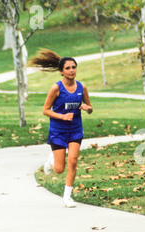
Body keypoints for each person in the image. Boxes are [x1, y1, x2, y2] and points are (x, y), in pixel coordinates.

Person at [29, 49, 93, 208]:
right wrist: (62, 116)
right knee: (59, 169)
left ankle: (67, 197)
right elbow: (45, 110)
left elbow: (90, 108)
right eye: (68, 68)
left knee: (73, 161)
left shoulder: (81, 87)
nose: (72, 70)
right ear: (61, 71)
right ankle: (51, 161)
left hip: (75, 130)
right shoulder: (56, 88)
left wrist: (87, 108)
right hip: (58, 131)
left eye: (74, 67)